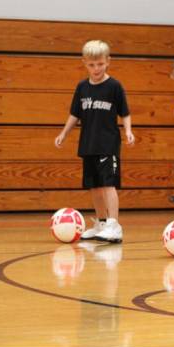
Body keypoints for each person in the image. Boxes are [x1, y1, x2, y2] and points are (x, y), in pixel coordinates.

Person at [55, 40, 134, 243]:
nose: (96, 68)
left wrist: (128, 131)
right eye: (91, 65)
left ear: (108, 62)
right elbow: (75, 114)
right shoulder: (82, 87)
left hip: (108, 144)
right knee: (95, 186)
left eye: (100, 64)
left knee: (108, 185)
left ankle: (114, 225)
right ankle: (100, 223)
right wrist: (64, 133)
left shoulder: (114, 86)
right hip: (88, 144)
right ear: (84, 63)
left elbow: (125, 113)